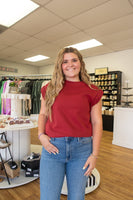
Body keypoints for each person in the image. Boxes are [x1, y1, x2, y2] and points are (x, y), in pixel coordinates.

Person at [38, 47, 103, 200]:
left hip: (82, 150)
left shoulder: (93, 91)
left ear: (81, 63)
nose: (70, 64)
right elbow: (43, 114)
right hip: (52, 148)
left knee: (77, 196)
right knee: (48, 196)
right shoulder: (49, 89)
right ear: (60, 65)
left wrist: (95, 155)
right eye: (65, 61)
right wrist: (41, 135)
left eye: (74, 60)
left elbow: (97, 122)